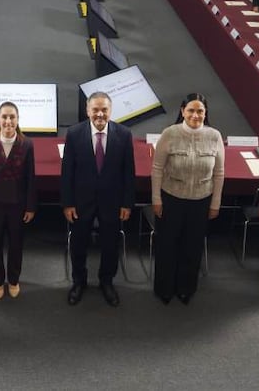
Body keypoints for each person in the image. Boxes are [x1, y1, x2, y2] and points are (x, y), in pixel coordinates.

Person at [61, 92, 136, 307]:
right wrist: (67, 203)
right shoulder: (74, 134)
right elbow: (67, 171)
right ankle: (79, 282)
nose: (100, 114)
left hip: (112, 203)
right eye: (95, 110)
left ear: (111, 111)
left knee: (110, 245)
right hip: (81, 202)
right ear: (87, 111)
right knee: (78, 244)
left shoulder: (124, 134)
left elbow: (128, 172)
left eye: (104, 109)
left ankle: (107, 282)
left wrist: (126, 203)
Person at [150, 94, 224, 305]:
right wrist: (156, 199)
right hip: (171, 198)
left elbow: (219, 173)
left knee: (192, 247)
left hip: (201, 201)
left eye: (200, 111)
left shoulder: (214, 136)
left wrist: (215, 203)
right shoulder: (170, 134)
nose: (195, 115)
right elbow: (156, 169)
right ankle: (164, 287)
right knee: (167, 245)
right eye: (191, 110)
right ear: (182, 111)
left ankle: (186, 288)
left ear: (205, 113)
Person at [0, 102, 36, 299]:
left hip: (18, 205)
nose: (8, 121)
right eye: (4, 117)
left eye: (12, 117)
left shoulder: (27, 144)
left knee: (16, 245)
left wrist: (30, 206)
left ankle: (14, 279)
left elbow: (30, 178)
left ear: (18, 120)